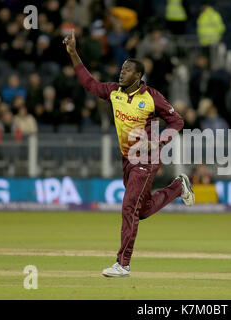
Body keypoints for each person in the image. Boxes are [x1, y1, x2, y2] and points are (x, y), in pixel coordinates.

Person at [63, 30, 195, 277]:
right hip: (127, 159)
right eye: (121, 69)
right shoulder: (114, 92)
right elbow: (89, 84)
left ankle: (123, 263)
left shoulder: (151, 97)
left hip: (145, 160)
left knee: (128, 209)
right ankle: (178, 187)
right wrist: (73, 54)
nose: (121, 72)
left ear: (138, 75)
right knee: (140, 210)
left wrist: (156, 142)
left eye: (126, 70)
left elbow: (177, 121)